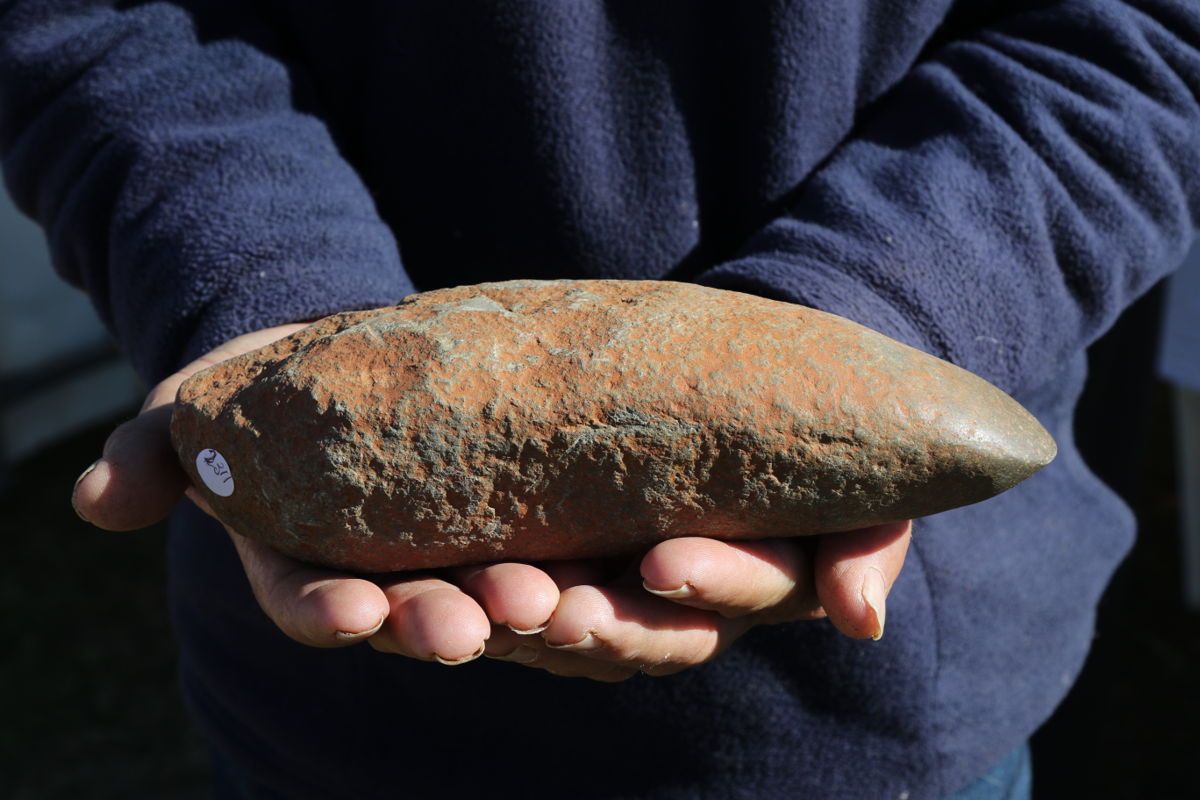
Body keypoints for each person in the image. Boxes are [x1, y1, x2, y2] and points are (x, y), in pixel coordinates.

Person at [3, 1, 1197, 797]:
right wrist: (266, 287)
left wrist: (850, 326)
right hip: (341, 708)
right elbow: (109, 20)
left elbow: (1147, 34)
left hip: (881, 713)